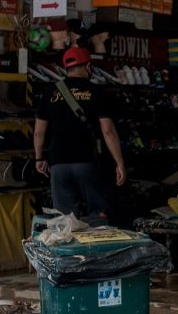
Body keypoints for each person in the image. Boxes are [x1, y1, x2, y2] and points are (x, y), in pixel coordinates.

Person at [34, 46, 126, 224]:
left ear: (66, 68)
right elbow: (108, 131)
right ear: (88, 66)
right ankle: (98, 250)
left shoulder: (50, 92)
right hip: (88, 163)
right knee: (98, 212)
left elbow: (39, 132)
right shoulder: (96, 92)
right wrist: (119, 162)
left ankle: (71, 251)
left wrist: (39, 158)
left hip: (58, 164)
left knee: (65, 220)